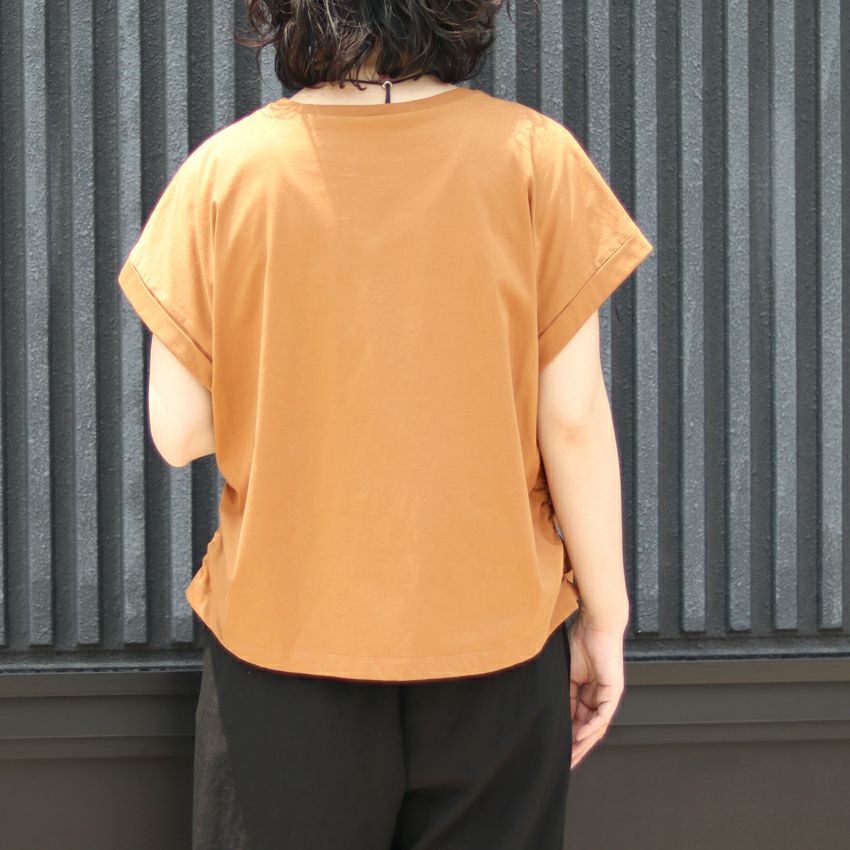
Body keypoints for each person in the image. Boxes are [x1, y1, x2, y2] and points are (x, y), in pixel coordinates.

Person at [116, 2, 653, 847]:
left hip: (282, 644)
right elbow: (574, 418)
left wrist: (307, 390)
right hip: (497, 647)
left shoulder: (225, 172)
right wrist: (605, 619)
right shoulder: (533, 157)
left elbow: (177, 432)